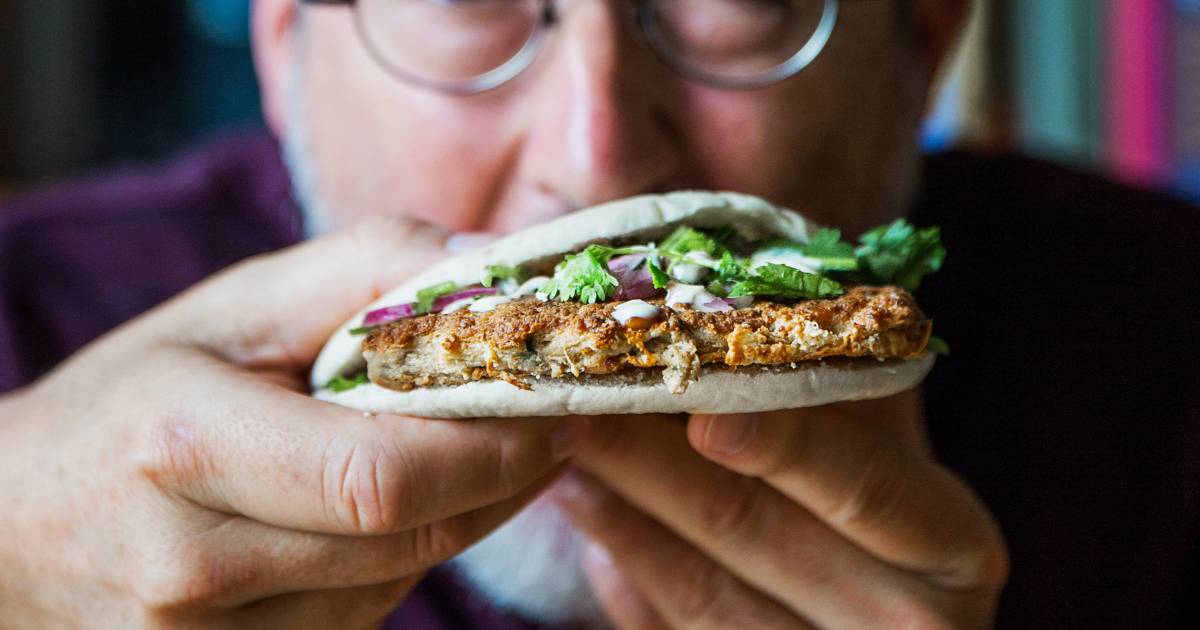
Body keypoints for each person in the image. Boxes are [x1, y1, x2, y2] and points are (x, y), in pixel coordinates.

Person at [1, 1, 1197, 628]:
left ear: (920, 43)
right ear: (285, 47)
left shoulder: (1164, 360)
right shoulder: (28, 325)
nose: (598, 158)